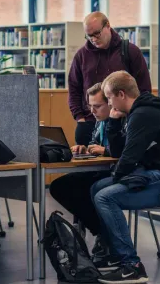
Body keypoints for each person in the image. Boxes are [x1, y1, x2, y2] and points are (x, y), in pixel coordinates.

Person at [90, 71, 160, 284]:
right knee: (97, 188)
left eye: (109, 97)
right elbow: (118, 153)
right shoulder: (136, 113)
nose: (109, 102)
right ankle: (114, 252)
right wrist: (113, 122)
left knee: (105, 196)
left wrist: (117, 178)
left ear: (121, 94)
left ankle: (132, 266)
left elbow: (128, 158)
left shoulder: (143, 115)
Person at [49, 82, 121, 259]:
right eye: (90, 106)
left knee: (84, 189)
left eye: (97, 106)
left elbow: (124, 150)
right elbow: (95, 144)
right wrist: (85, 148)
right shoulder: (100, 123)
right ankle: (101, 231)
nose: (92, 111)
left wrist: (105, 151)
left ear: (110, 103)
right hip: (100, 170)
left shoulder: (120, 120)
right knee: (60, 186)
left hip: (117, 173)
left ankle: (105, 234)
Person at [68, 11, 151, 146]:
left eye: (97, 34)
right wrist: (80, 118)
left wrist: (133, 117)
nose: (94, 39)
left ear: (108, 26)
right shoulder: (81, 55)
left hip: (122, 121)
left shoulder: (130, 51)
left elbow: (144, 89)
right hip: (89, 121)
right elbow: (74, 88)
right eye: (89, 36)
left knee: (115, 157)